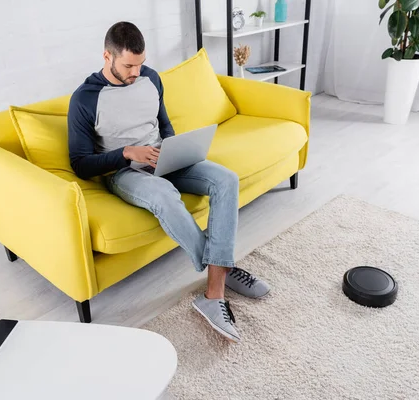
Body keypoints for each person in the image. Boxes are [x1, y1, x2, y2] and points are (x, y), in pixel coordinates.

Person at [68, 21, 270, 343]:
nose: (136, 72)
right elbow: (79, 164)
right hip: (125, 172)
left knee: (226, 180)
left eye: (140, 63)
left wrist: (173, 150)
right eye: (128, 65)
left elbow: (165, 125)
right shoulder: (85, 99)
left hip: (166, 159)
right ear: (107, 56)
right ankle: (220, 278)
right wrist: (126, 153)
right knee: (163, 194)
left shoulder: (151, 78)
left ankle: (216, 286)